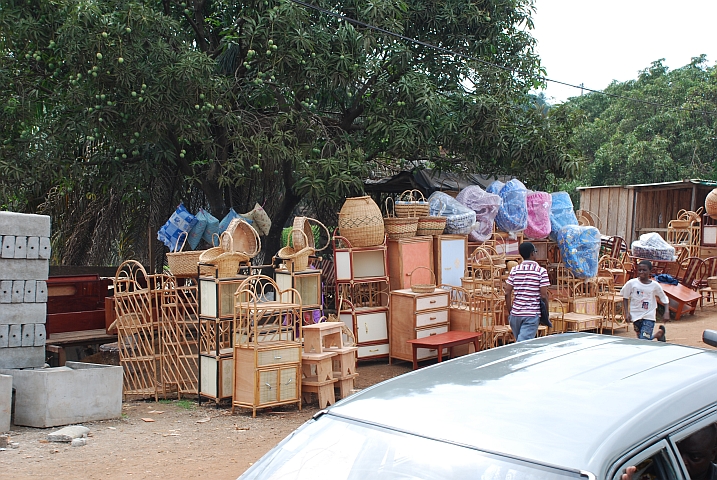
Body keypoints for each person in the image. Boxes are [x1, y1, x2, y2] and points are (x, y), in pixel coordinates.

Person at [621, 424, 717, 480]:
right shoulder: (649, 472)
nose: (682, 461)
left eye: (694, 457)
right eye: (677, 452)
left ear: (713, 454)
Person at [504, 242, 550, 342]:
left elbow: (507, 292)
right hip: (531, 315)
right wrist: (546, 313)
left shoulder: (515, 270)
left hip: (515, 315)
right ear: (532, 253)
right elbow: (543, 296)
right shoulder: (541, 271)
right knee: (522, 346)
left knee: (520, 343)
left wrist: (511, 311)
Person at [620, 260, 669, 342]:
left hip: (649, 316)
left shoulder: (655, 285)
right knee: (641, 338)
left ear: (650, 271)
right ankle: (659, 334)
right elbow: (625, 297)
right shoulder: (631, 283)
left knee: (644, 340)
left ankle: (657, 335)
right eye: (639, 270)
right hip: (635, 316)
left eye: (644, 270)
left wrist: (666, 311)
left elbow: (664, 298)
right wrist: (627, 313)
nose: (641, 272)